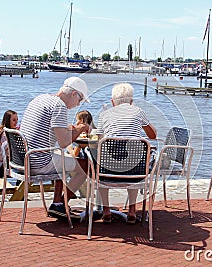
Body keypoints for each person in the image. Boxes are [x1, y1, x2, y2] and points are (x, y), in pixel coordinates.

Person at [19, 76, 90, 219]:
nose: (78, 104)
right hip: (39, 162)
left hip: (24, 159)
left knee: (59, 154)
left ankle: (57, 203)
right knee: (86, 166)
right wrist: (81, 128)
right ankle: (63, 202)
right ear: (74, 94)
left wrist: (73, 129)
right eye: (80, 100)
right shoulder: (60, 106)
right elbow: (64, 142)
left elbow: (53, 129)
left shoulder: (41, 98)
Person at [96, 83, 157, 224]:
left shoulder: (104, 114)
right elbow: (153, 135)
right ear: (131, 101)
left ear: (112, 102)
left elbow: (100, 141)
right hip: (135, 172)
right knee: (135, 160)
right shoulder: (137, 111)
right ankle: (132, 210)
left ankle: (105, 210)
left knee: (99, 162)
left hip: (107, 172)